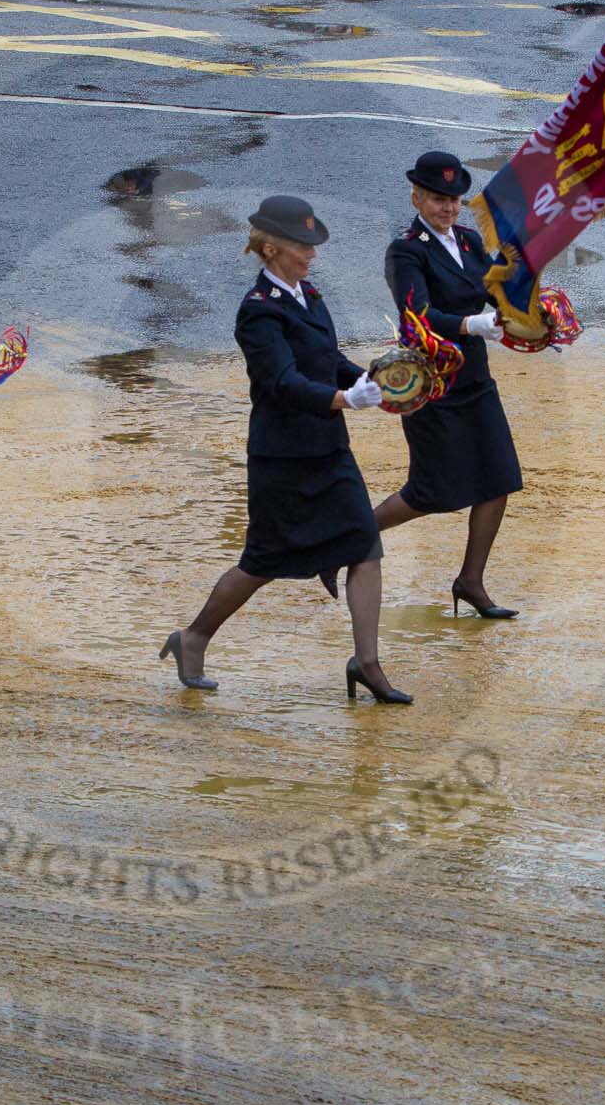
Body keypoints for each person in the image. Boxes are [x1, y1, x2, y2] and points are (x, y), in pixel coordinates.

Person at [160, 196, 410, 704]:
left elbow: (327, 357)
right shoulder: (258, 314)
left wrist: (372, 379)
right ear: (271, 247)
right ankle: (193, 637)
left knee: (366, 547)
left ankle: (367, 663)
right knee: (262, 563)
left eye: (312, 245)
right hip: (284, 460)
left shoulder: (307, 294)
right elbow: (280, 382)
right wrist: (343, 399)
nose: (311, 254)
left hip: (330, 450)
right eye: (302, 245)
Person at [373, 151, 522, 618]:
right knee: (429, 493)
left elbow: (494, 288)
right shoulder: (406, 249)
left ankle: (470, 581)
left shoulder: (470, 240)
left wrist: (523, 294)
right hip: (431, 384)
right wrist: (472, 325)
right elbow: (416, 316)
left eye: (455, 200)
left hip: (475, 378)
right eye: (439, 198)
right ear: (417, 196)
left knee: (499, 479)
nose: (448, 208)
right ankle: (346, 537)